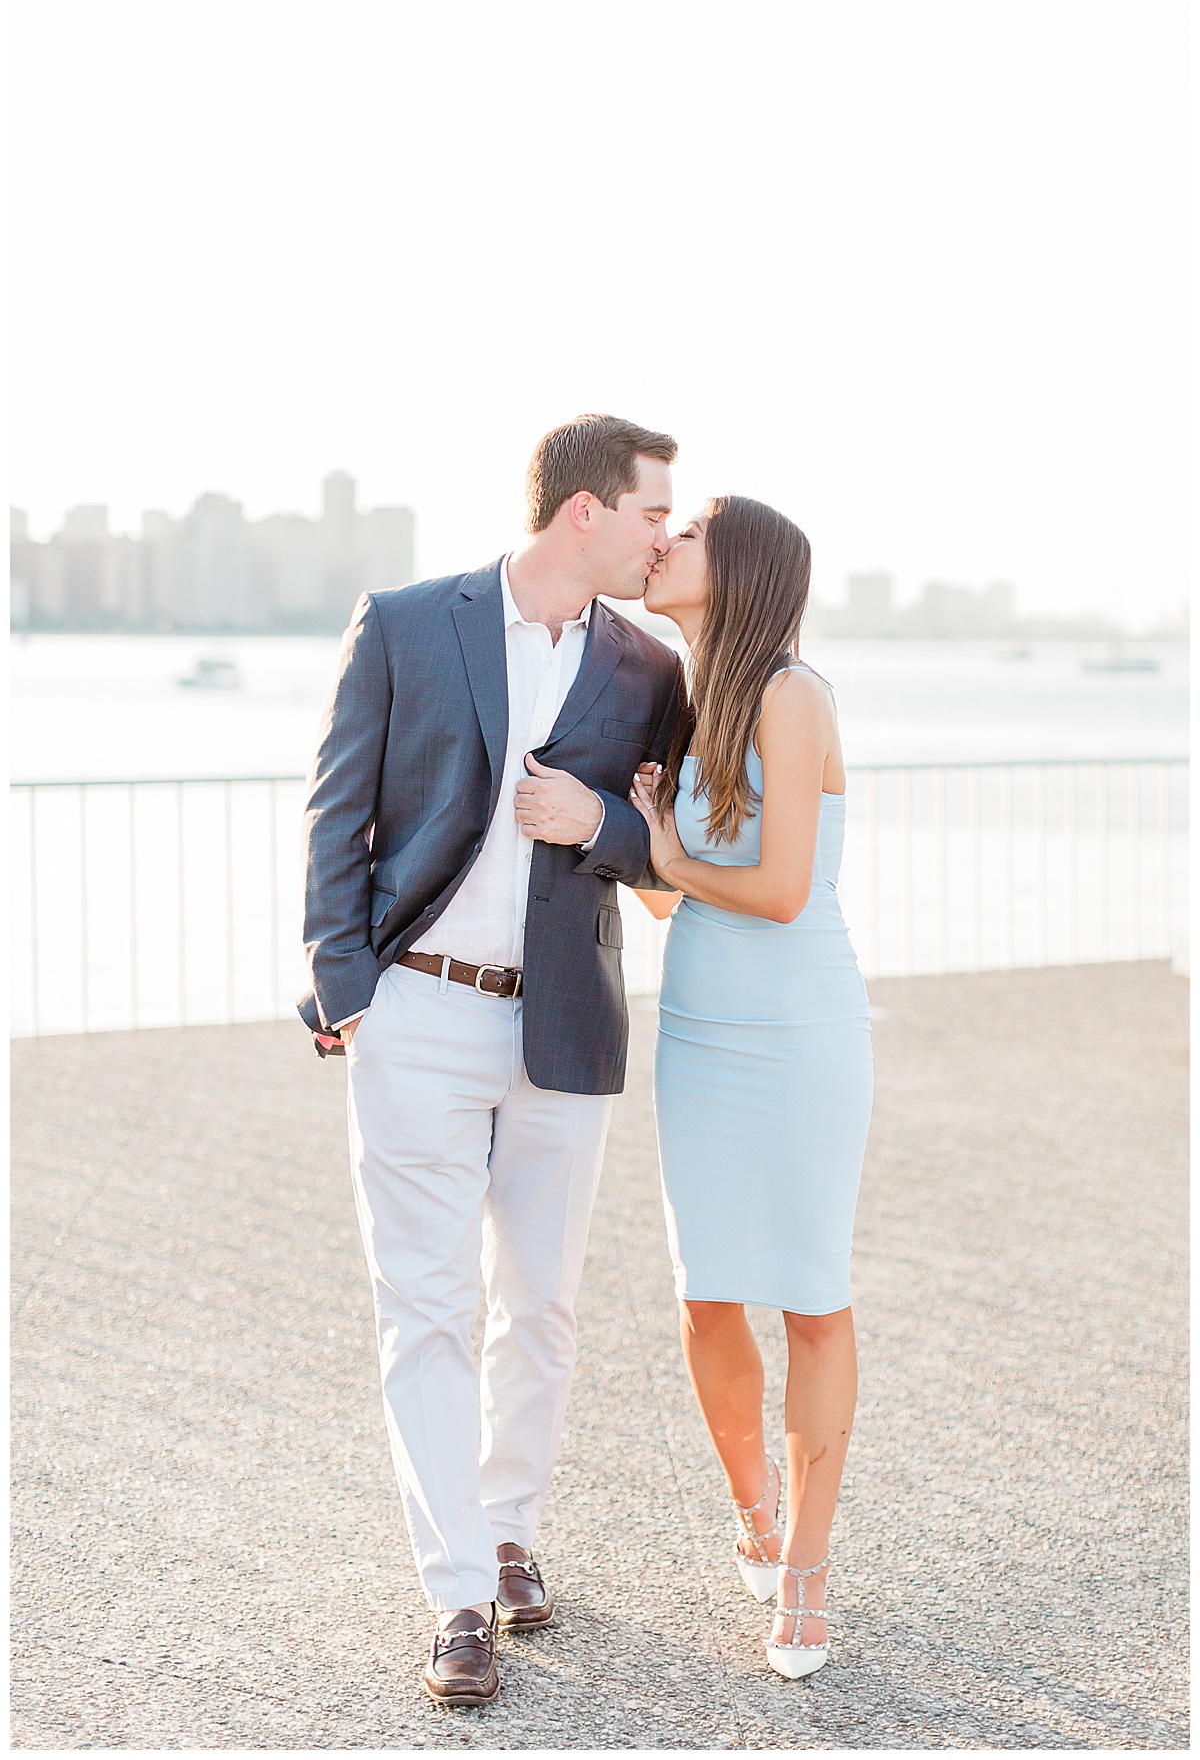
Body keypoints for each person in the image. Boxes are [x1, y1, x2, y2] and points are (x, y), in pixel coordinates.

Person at [299, 415, 684, 1706]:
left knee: (545, 1304)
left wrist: (604, 825)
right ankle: (458, 1590)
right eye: (649, 512)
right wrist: (347, 986)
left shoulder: (649, 663)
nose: (661, 534)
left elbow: (670, 851)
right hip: (415, 1013)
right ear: (585, 510)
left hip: (564, 1022)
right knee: (426, 1310)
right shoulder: (408, 622)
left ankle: (509, 1526)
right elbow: (335, 806)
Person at [629, 496, 873, 1681]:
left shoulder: (792, 693)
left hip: (801, 1030)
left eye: (688, 536)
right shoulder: (687, 702)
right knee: (705, 1293)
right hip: (698, 1025)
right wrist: (631, 848)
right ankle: (754, 1504)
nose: (662, 544)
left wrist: (663, 853)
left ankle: (808, 1570)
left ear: (741, 570)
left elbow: (778, 890)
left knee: (813, 1300)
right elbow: (675, 897)